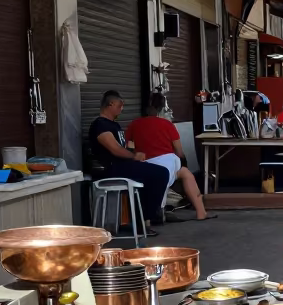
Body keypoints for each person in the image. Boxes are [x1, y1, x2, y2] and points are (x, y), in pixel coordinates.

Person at [87, 90, 169, 234]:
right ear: (111, 104)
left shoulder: (115, 125)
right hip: (112, 168)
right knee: (160, 173)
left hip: (123, 166)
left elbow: (124, 147)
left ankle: (142, 219)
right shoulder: (100, 125)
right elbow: (115, 149)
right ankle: (144, 217)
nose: (122, 108)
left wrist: (134, 152)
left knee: (157, 173)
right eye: (120, 105)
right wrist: (133, 156)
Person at [126, 92, 212, 221]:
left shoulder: (133, 125)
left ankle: (158, 211)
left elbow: (130, 148)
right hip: (166, 162)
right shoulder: (168, 125)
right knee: (186, 173)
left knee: (183, 173)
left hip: (144, 166)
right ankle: (201, 212)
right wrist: (184, 161)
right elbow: (179, 151)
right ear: (162, 110)